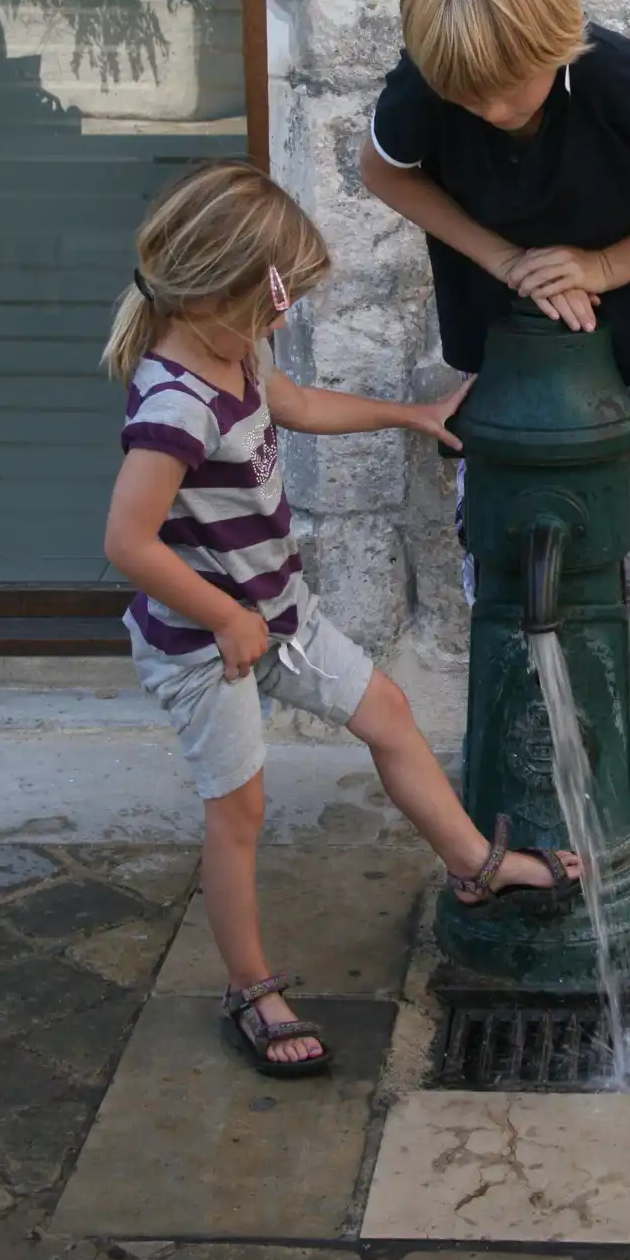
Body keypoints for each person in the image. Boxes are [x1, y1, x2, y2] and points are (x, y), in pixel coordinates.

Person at [103, 161, 579, 1079]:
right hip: (205, 645)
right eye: (273, 302)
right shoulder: (174, 407)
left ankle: (475, 868)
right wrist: (224, 618)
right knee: (239, 813)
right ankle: (250, 990)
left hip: (278, 613)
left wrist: (412, 414)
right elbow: (128, 540)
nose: (282, 320)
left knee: (387, 712)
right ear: (210, 289)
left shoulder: (236, 352)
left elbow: (299, 405)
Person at [359, 0, 630, 640]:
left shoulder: (611, 72)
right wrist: (503, 259)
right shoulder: (433, 74)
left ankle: (614, 669)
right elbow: (383, 172)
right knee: (506, 568)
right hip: (500, 360)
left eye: (510, 90)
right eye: (467, 98)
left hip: (624, 364)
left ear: (556, 41)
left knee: (629, 561)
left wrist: (607, 265)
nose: (491, 112)